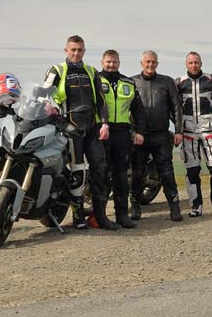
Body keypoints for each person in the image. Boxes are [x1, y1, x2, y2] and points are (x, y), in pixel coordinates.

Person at [44, 35, 119, 230]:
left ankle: (100, 216)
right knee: (76, 171)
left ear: (84, 51)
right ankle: (77, 216)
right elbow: (43, 93)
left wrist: (105, 124)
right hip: (69, 128)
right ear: (66, 51)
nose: (76, 53)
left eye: (80, 50)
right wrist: (47, 105)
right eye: (73, 50)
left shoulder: (91, 71)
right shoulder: (57, 70)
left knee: (100, 170)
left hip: (92, 128)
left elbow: (101, 101)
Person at [130, 50, 184, 222]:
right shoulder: (132, 82)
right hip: (140, 136)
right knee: (137, 173)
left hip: (161, 134)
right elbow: (126, 109)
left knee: (167, 173)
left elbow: (176, 108)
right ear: (141, 63)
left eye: (153, 62)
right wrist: (133, 132)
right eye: (147, 62)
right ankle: (136, 207)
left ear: (157, 64)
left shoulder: (167, 82)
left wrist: (178, 131)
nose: (150, 65)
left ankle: (175, 208)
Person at [175, 52, 212, 217]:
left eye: (196, 62)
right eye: (191, 63)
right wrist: (178, 129)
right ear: (186, 64)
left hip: (210, 131)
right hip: (188, 133)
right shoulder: (178, 83)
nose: (194, 65)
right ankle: (195, 206)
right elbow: (172, 107)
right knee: (192, 171)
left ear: (201, 63)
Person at [98, 49, 146, 229]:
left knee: (121, 176)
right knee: (101, 175)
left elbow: (138, 110)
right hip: (102, 133)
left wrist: (140, 131)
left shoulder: (128, 83)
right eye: (108, 62)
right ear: (102, 62)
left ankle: (122, 215)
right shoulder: (96, 80)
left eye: (114, 62)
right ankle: (101, 217)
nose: (111, 65)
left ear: (119, 63)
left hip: (122, 133)